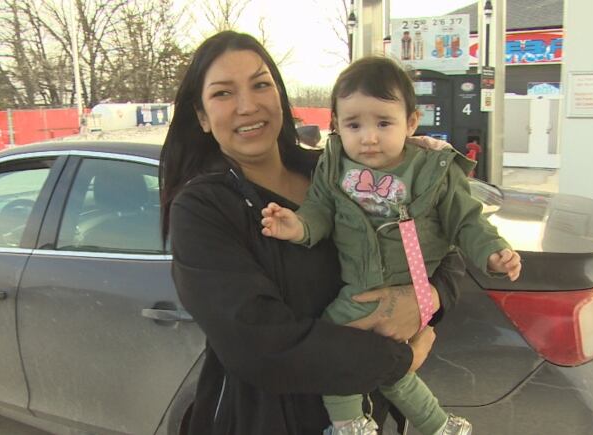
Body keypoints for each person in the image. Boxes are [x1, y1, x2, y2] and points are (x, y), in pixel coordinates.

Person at [162, 31, 444, 435]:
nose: (247, 106)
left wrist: (427, 296)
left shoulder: (339, 171)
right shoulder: (202, 209)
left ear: (279, 94)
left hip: (369, 417)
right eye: (223, 94)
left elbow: (438, 239)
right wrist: (397, 361)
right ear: (202, 117)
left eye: (261, 84)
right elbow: (260, 343)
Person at [260, 56, 522, 435]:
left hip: (408, 286)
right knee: (392, 371)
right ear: (336, 125)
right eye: (354, 125)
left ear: (411, 122)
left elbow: (466, 220)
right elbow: (319, 211)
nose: (368, 137)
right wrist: (297, 226)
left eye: (383, 123)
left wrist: (493, 251)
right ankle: (439, 425)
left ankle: (349, 424)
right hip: (361, 284)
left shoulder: (432, 170)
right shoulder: (333, 167)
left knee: (333, 343)